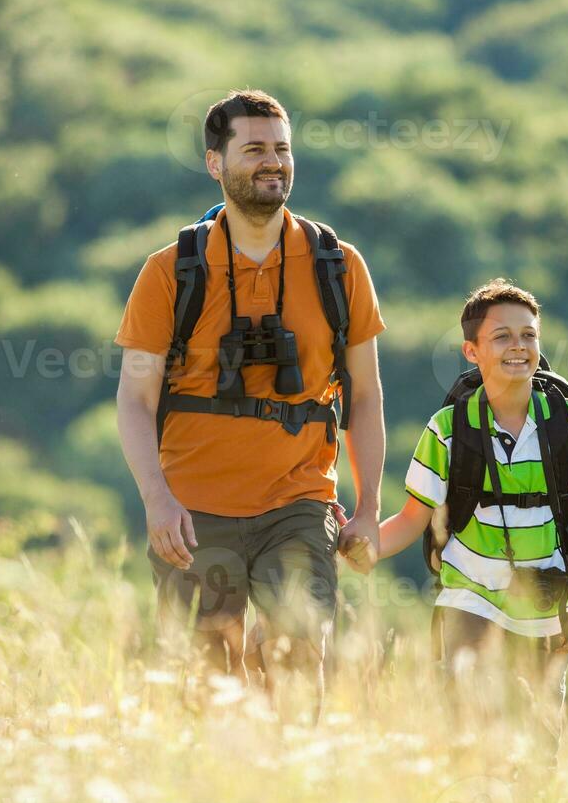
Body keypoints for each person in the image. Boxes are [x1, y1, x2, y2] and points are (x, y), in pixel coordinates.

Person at [114, 89, 386, 715]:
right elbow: (134, 397)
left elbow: (365, 396)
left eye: (283, 150)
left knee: (300, 651)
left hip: (299, 500)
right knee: (206, 684)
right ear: (215, 163)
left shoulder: (338, 267)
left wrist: (368, 506)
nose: (273, 162)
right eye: (255, 149)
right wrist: (156, 497)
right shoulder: (170, 272)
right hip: (193, 510)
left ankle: (295, 790)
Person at [351, 280, 568, 754]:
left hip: (544, 607)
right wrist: (366, 548)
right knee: (468, 733)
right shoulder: (448, 429)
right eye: (502, 336)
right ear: (472, 350)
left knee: (537, 750)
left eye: (529, 335)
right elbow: (413, 517)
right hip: (468, 598)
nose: (519, 346)